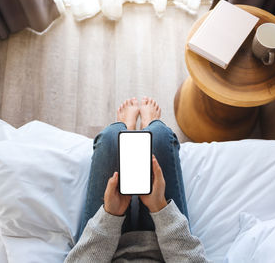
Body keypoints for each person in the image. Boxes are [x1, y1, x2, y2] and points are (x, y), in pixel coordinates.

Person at [65, 97, 209, 262]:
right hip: (162, 252)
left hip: (107, 250)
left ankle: (127, 129)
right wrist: (159, 208)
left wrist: (110, 215)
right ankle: (147, 126)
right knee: (160, 136)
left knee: (111, 138)